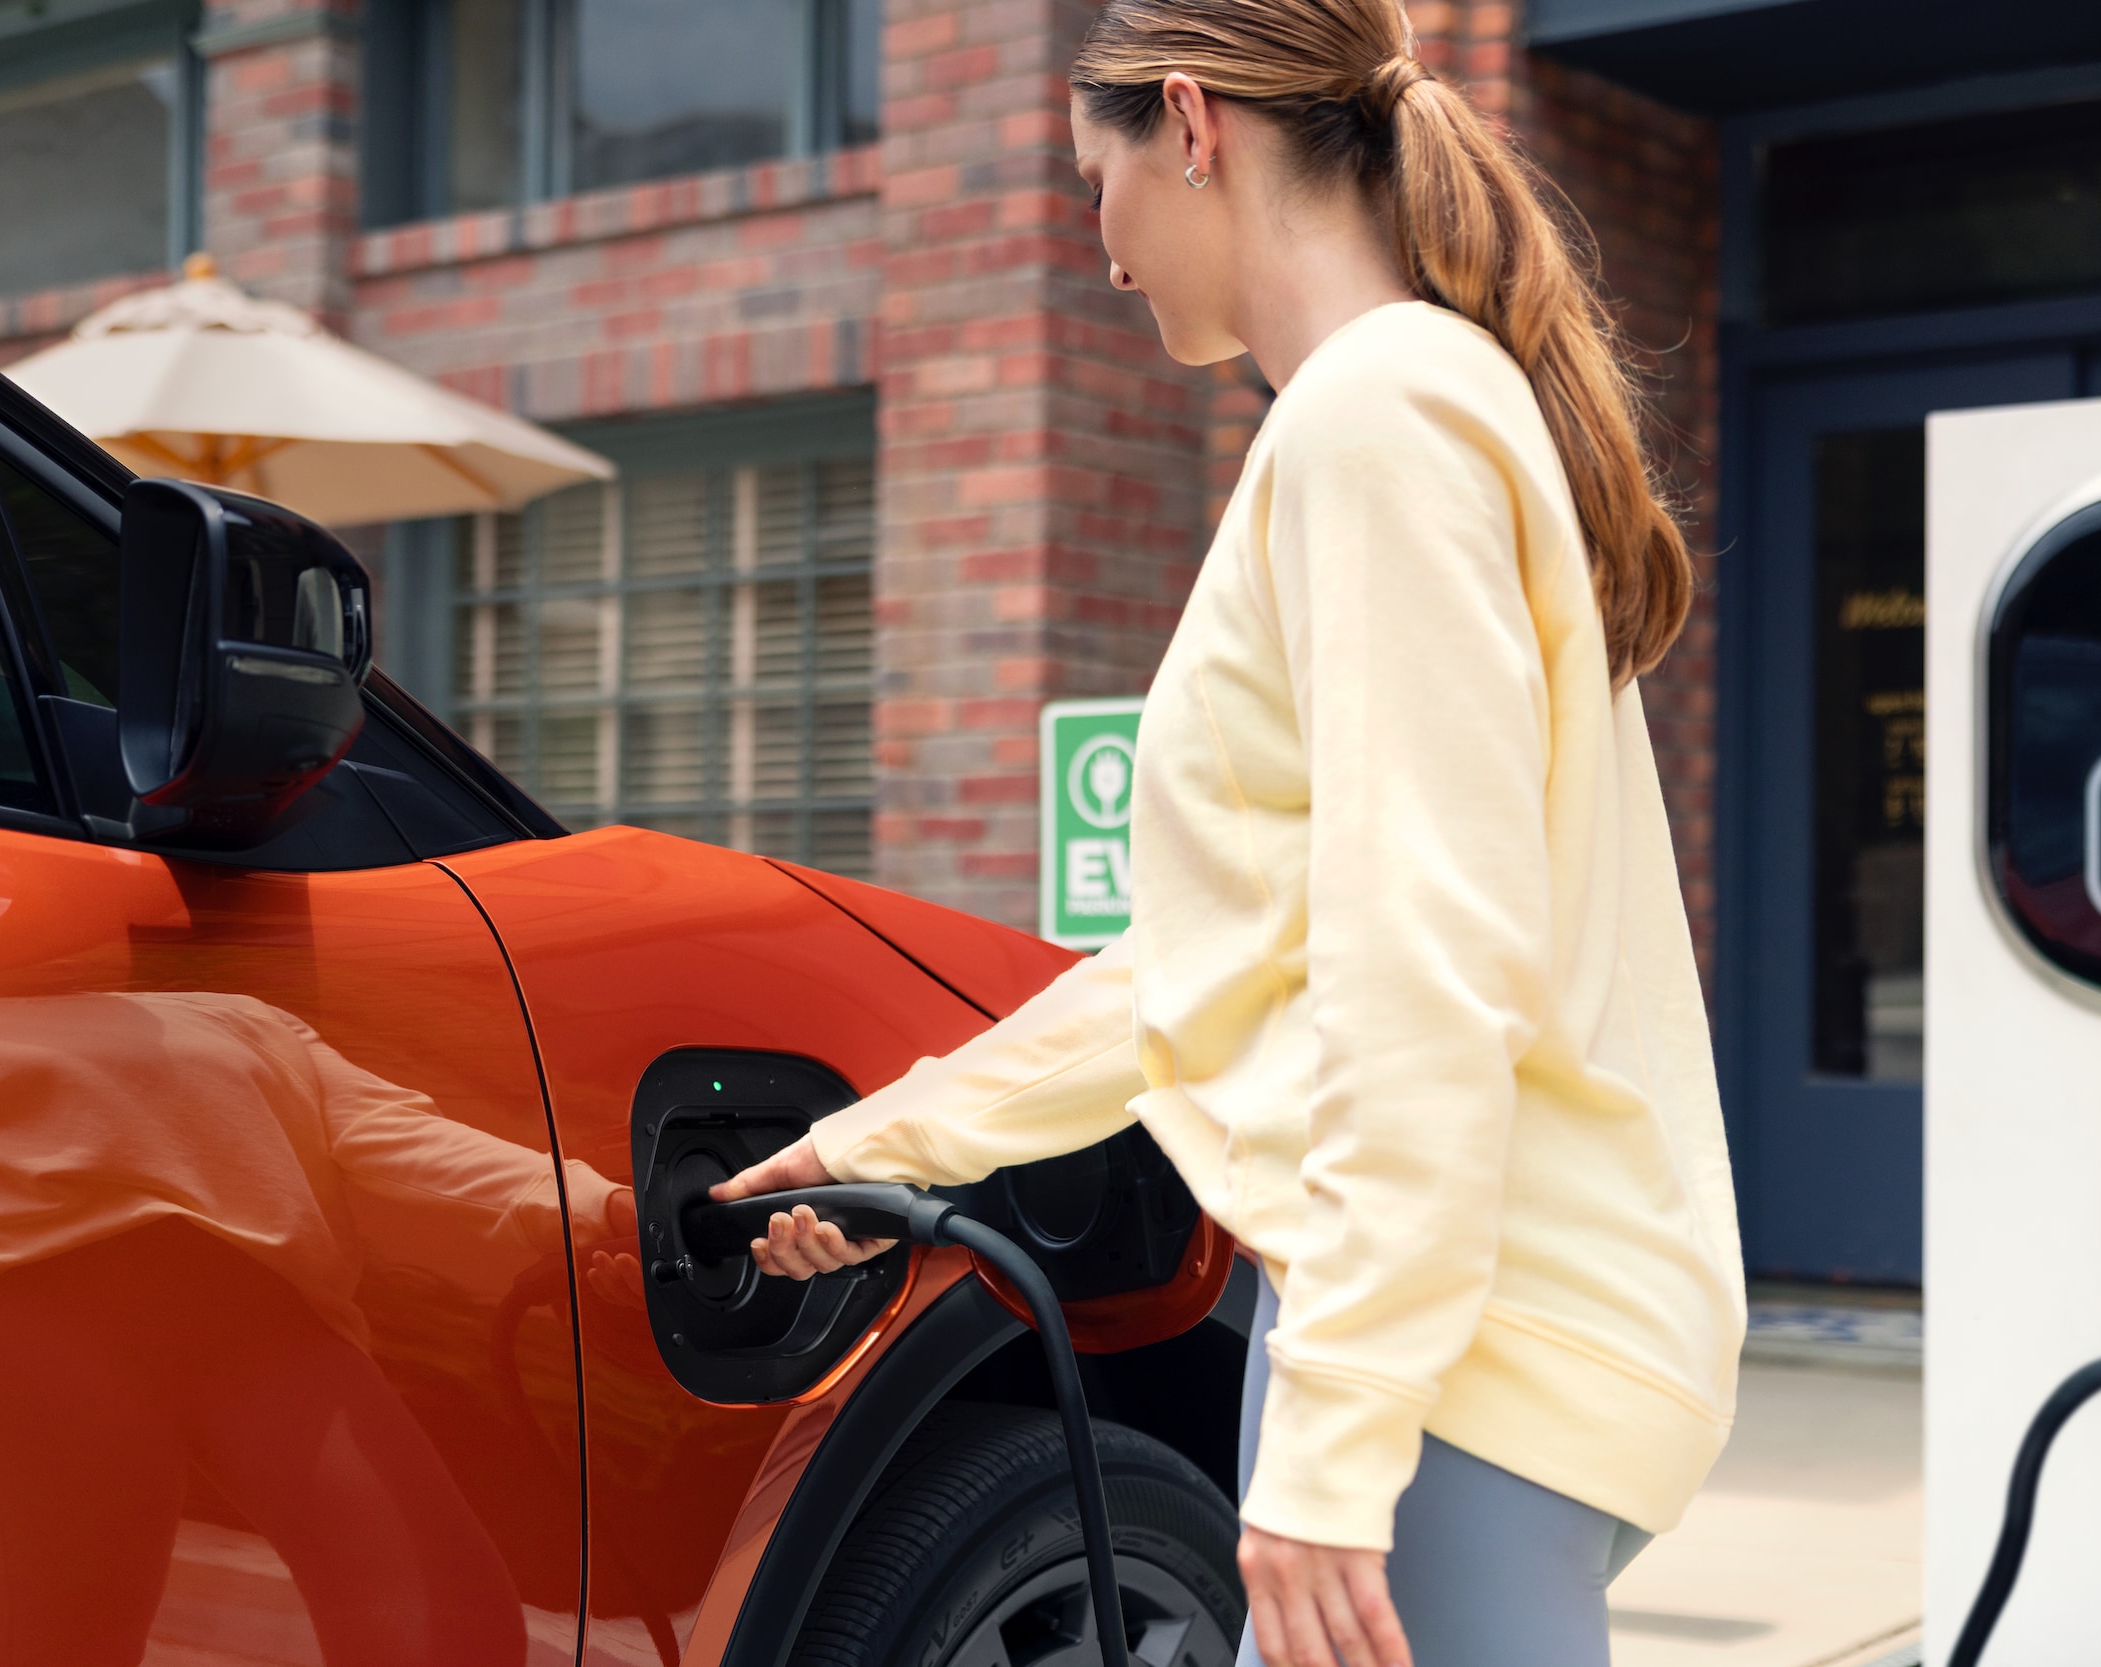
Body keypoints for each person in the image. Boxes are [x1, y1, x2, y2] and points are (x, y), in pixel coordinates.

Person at [712, 4, 1744, 1665]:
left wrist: (1335, 1440)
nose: (1098, 247)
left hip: (1460, 1369)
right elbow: (1227, 952)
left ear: (1190, 123)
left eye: (1091, 180)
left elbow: (1423, 955)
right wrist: (887, 1141)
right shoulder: (1410, 409)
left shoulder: (1377, 421)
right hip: (1482, 1344)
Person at [0, 990, 573, 1667]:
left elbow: (400, 1133)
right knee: (70, 1639)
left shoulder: (248, 1016)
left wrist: (600, 1203)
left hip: (263, 1322)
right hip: (28, 1313)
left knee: (450, 1624)